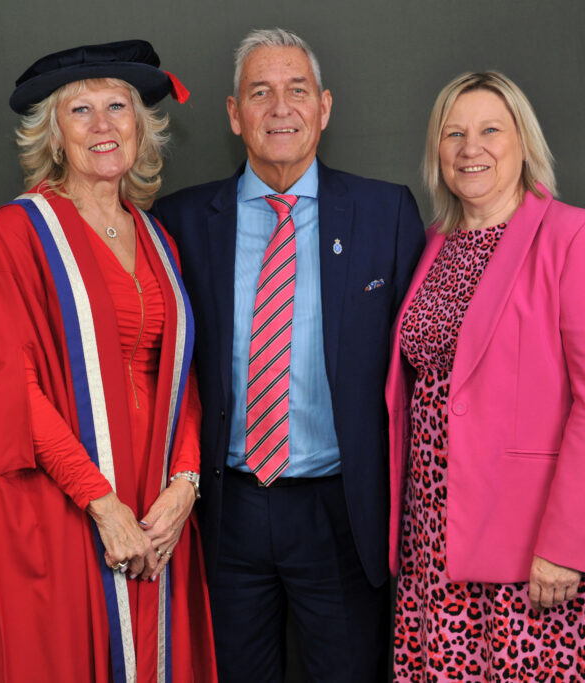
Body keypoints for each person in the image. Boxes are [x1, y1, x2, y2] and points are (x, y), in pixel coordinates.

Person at [152, 28, 425, 682]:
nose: (280, 108)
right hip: (226, 511)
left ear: (324, 108)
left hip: (342, 510)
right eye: (261, 92)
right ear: (233, 113)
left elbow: (421, 371)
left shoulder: (383, 213)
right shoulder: (181, 221)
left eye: (296, 90)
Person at [0, 40, 216, 682]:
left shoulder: (158, 238)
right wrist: (103, 504)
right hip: (68, 506)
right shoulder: (20, 233)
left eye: (117, 106)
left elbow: (180, 378)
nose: (103, 125)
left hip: (154, 510)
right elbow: (12, 388)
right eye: (81, 111)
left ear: (141, 125)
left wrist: (183, 486)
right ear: (54, 136)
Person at [386, 71, 585, 680]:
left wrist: (565, 545)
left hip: (532, 549)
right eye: (454, 134)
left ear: (523, 142)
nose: (471, 148)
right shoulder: (430, 245)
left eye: (490, 130)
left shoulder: (580, 237)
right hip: (432, 541)